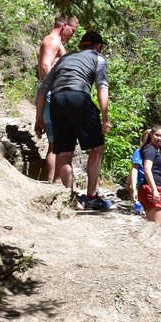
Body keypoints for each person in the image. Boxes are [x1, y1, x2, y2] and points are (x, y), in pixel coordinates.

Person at [34, 30, 112, 211]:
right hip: (79, 98)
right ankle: (91, 196)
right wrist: (105, 116)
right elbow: (102, 86)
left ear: (81, 45)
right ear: (98, 46)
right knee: (97, 147)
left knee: (64, 153)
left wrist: (39, 119)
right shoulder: (98, 58)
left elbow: (43, 87)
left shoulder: (64, 59)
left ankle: (70, 199)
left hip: (57, 100)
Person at [35, 15, 78, 182]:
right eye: (73, 30)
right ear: (65, 25)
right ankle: (57, 187)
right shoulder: (53, 40)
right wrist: (56, 90)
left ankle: (53, 186)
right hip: (53, 96)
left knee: (55, 146)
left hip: (50, 96)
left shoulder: (55, 41)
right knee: (60, 146)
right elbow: (45, 65)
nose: (73, 34)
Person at [133, 125, 161, 228]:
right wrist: (154, 190)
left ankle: (146, 243)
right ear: (151, 135)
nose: (159, 138)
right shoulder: (150, 150)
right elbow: (147, 169)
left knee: (154, 224)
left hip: (151, 188)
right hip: (152, 188)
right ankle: (151, 244)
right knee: (158, 224)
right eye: (157, 135)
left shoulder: (154, 151)